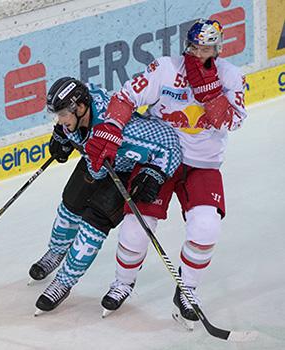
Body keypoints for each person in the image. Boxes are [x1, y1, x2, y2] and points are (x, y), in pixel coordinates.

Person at [84, 19, 247, 330]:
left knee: (206, 227)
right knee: (135, 227)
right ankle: (122, 283)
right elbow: (124, 98)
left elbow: (231, 123)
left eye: (207, 47)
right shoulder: (165, 69)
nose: (200, 53)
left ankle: (187, 292)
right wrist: (112, 128)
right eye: (196, 47)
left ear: (218, 47)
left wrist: (210, 92)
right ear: (187, 44)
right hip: (161, 157)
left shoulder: (230, 76)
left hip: (204, 163)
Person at [30, 76, 182, 314]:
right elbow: (88, 90)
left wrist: (156, 173)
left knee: (95, 221)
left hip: (122, 170)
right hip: (95, 160)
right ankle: (57, 251)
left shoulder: (125, 128)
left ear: (80, 109)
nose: (59, 121)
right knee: (71, 203)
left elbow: (170, 143)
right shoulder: (79, 108)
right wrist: (60, 136)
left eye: (62, 115)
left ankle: (63, 282)